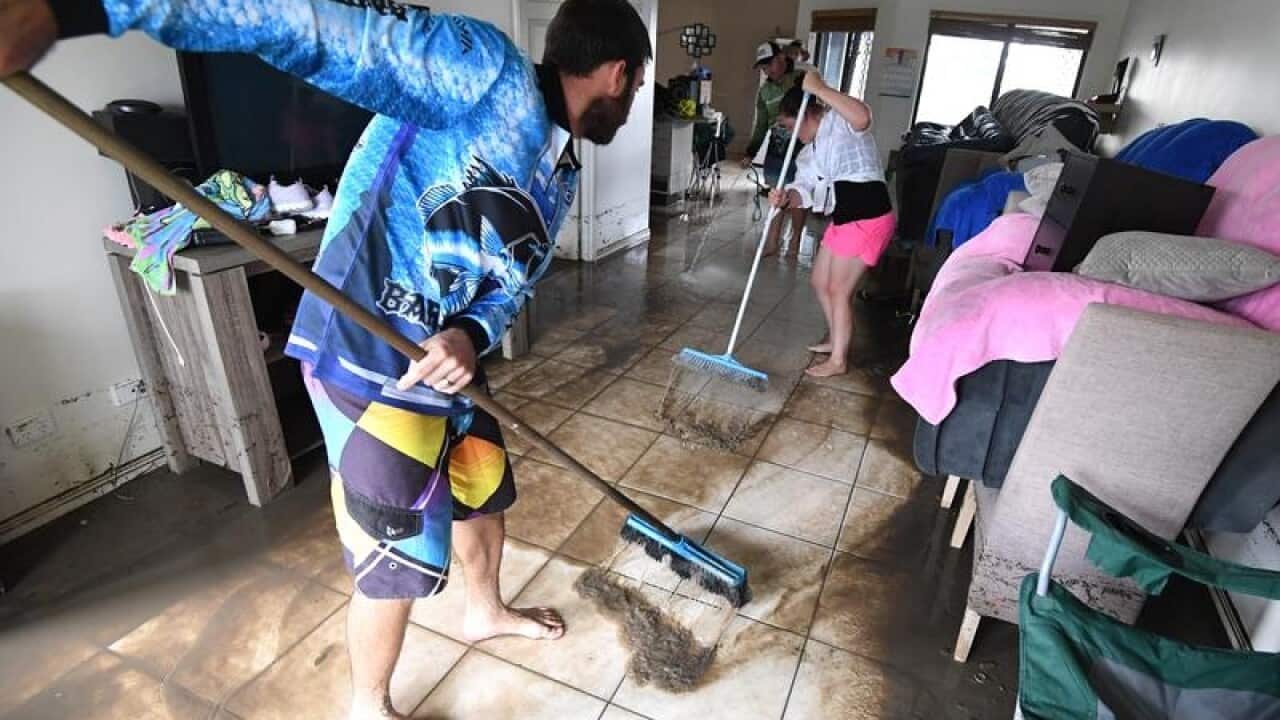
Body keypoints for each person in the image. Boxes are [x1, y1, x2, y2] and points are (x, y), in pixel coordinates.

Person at [0, 0, 649, 718]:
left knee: (481, 489)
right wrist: (75, 11)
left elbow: (511, 284)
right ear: (619, 73)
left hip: (447, 357)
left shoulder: (558, 174)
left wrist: (470, 331)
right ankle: (368, 703)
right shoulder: (483, 72)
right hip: (365, 352)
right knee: (394, 551)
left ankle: (483, 610)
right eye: (639, 87)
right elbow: (307, 25)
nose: (631, 101)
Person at [770, 72, 894, 378]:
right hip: (845, 217)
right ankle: (835, 338)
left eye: (789, 126)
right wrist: (786, 198)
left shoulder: (839, 121)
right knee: (819, 281)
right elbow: (805, 191)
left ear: (806, 114)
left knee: (839, 289)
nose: (791, 133)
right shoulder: (806, 153)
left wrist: (820, 90)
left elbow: (863, 116)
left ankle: (838, 359)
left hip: (868, 214)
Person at [741, 40, 806, 259]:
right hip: (776, 149)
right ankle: (772, 241)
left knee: (798, 195)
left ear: (780, 59)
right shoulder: (765, 91)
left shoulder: (799, 79)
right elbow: (761, 125)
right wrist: (750, 152)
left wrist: (797, 56)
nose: (766, 70)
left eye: (769, 64)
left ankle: (795, 240)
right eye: (763, 67)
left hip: (800, 148)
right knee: (776, 195)